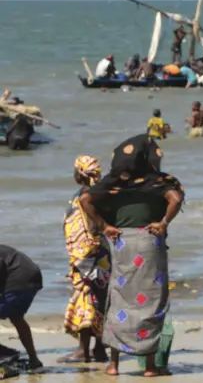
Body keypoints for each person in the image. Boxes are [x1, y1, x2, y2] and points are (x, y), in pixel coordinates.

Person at [79, 134, 184, 377]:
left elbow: (85, 199)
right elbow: (176, 199)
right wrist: (164, 222)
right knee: (151, 301)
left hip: (121, 243)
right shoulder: (159, 182)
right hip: (150, 241)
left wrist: (104, 226)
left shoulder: (112, 183)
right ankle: (149, 367)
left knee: (119, 299)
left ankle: (114, 365)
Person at [59, 155, 111, 364]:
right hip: (99, 253)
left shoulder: (86, 195)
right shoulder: (98, 194)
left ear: (79, 173)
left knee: (87, 299)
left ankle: (83, 351)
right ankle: (98, 349)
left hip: (88, 254)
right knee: (99, 299)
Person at [0, 245, 43, 372]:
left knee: (16, 317)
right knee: (17, 318)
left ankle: (6, 358)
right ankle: (34, 361)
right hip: (33, 277)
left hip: (18, 278)